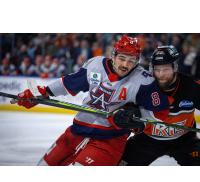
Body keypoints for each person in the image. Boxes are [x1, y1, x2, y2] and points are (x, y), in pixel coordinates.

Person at [16, 35, 168, 166]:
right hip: (75, 133)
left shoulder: (144, 81)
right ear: (113, 55)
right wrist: (43, 92)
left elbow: (160, 111)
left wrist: (138, 118)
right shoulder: (96, 65)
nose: (125, 65)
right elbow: (68, 83)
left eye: (131, 60)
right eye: (122, 58)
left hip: (109, 142)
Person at [119, 45, 200, 166]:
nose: (161, 74)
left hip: (184, 140)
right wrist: (127, 115)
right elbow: (125, 108)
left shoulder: (192, 86)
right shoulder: (144, 85)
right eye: (157, 69)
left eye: (166, 69)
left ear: (175, 67)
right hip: (147, 139)